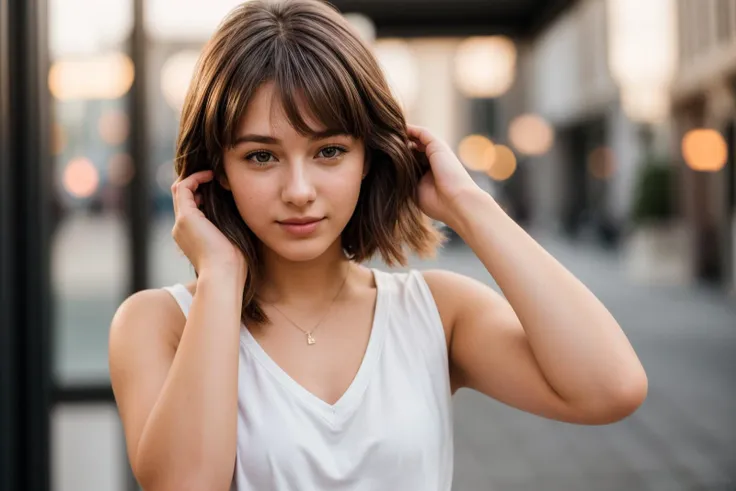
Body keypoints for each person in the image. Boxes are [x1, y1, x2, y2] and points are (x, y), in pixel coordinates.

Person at [108, 1, 648, 490]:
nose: (299, 192)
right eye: (261, 157)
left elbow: (611, 387)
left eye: (329, 151)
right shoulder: (160, 324)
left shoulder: (435, 312)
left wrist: (469, 205)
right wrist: (221, 277)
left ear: (369, 156)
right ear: (217, 169)